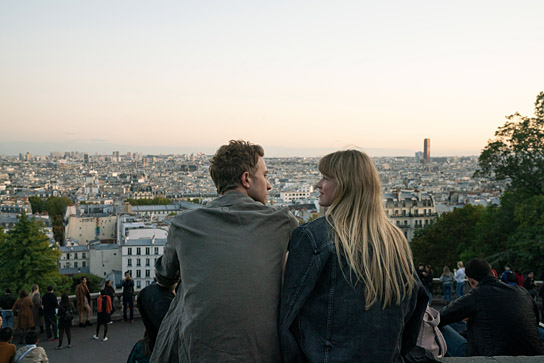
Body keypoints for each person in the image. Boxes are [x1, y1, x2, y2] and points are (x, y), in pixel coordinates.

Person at [150, 140, 299, 362]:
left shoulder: (184, 224)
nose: (269, 185)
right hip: (263, 353)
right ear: (246, 179)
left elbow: (164, 278)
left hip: (197, 354)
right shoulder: (282, 223)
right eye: (265, 175)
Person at [280, 150, 428, 362]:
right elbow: (415, 307)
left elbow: (288, 316)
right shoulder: (395, 240)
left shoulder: (313, 237)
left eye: (326, 178)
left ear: (345, 185)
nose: (318, 184)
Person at [439, 258, 544, 357]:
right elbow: (535, 320)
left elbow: (441, 317)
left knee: (436, 325)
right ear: (492, 274)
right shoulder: (522, 292)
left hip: (487, 355)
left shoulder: (476, 295)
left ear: (471, 281)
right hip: (533, 353)